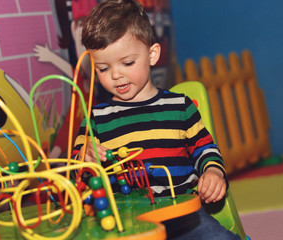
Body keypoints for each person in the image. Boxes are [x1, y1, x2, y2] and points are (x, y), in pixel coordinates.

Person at [72, 0, 240, 239]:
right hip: (124, 223)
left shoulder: (180, 106)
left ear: (152, 54)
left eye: (127, 63)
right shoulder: (96, 118)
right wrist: (83, 157)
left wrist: (213, 172)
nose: (116, 75)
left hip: (182, 217)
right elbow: (72, 171)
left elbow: (205, 149)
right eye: (103, 68)